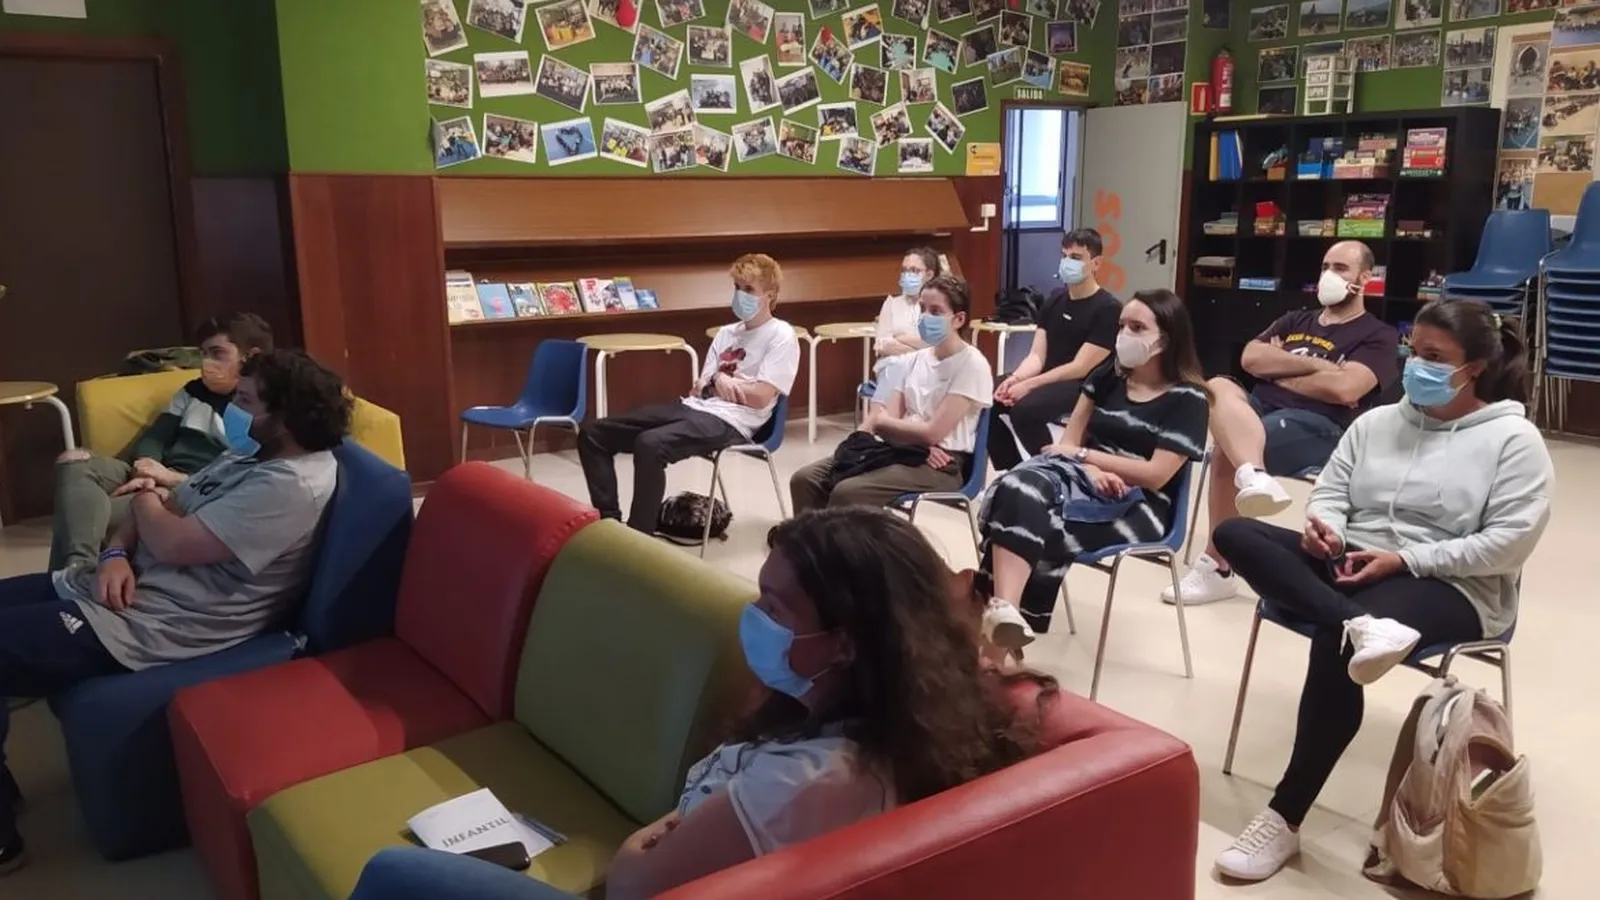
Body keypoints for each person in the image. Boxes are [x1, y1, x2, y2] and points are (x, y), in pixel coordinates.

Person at [1210, 300, 1552, 883]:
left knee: (1335, 639)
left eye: (1434, 357)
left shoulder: (1514, 440)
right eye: (1413, 351)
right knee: (1236, 534)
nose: (1416, 365)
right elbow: (1331, 491)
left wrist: (1404, 558)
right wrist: (1327, 529)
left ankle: (1284, 816)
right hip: (1352, 561)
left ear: (1473, 369)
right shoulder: (1376, 423)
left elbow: (1507, 546)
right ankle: (1359, 622)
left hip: (1451, 584)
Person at [0, 349, 349, 874]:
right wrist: (116, 552)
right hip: (114, 584)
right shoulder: (251, 455)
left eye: (246, 401)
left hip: (150, 623)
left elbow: (171, 538)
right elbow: (167, 510)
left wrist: (146, 494)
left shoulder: (291, 485)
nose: (233, 410)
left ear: (286, 416)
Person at [603, 508, 1057, 899]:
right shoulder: (912, 711)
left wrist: (664, 835)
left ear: (844, 644)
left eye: (774, 608)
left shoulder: (805, 782)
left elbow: (629, 883)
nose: (753, 615)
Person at [1165, 240, 1400, 606]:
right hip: (1262, 408)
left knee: (1227, 448)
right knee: (1217, 386)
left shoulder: (1378, 335)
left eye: (1341, 268)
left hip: (1320, 424)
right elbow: (1250, 358)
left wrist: (1279, 368)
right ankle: (1254, 474)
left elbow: (1346, 389)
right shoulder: (1296, 319)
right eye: (1325, 267)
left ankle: (1218, 566)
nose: (1329, 275)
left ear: (1365, 278)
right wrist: (1321, 366)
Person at [976, 289, 1210, 653]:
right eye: (1122, 326)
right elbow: (1069, 443)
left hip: (1140, 504)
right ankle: (1005, 618)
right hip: (1083, 479)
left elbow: (1156, 475)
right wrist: (1087, 468)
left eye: (1137, 327)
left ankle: (997, 637)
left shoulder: (1189, 399)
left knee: (1020, 506)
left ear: (1165, 339)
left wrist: (1087, 458)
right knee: (1018, 490)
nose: (1124, 335)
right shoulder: (1108, 376)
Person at [578, 254, 800, 535]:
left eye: (748, 289)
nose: (740, 295)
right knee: (593, 434)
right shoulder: (726, 333)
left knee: (650, 444)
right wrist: (719, 381)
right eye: (737, 287)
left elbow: (761, 397)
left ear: (770, 295)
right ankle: (609, 523)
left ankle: (637, 537)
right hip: (694, 407)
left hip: (733, 422)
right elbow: (699, 388)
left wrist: (719, 384)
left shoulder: (781, 335)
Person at [48, 313, 274, 572]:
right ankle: (77, 570)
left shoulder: (259, 408)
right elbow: (156, 436)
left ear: (251, 356)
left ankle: (74, 571)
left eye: (217, 353)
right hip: (154, 471)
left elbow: (235, 476)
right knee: (73, 460)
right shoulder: (192, 391)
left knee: (78, 513)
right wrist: (147, 467)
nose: (206, 363)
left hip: (193, 487)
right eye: (203, 354)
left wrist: (171, 480)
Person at [790, 275, 992, 511]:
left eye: (936, 311)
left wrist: (887, 424)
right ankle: (811, 536)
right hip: (902, 450)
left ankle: (842, 536)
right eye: (923, 309)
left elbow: (931, 432)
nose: (925, 317)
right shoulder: (913, 359)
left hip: (942, 463)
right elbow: (882, 424)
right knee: (805, 479)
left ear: (958, 319)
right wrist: (899, 434)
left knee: (850, 491)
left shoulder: (971, 364)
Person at [988, 228, 1120, 471]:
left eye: (1076, 257)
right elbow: (1036, 355)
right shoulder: (1054, 301)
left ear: (1096, 263)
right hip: (1049, 377)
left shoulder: (1108, 308)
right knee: (988, 395)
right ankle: (1012, 469)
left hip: (1083, 384)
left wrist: (1029, 385)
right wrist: (1015, 378)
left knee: (1025, 411)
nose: (1068, 262)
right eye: (1064, 256)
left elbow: (1080, 367)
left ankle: (1053, 468)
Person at [867, 247, 943, 399]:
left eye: (914, 270)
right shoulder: (891, 304)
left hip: (929, 372)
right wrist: (920, 349)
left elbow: (938, 344)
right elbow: (882, 345)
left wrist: (901, 338)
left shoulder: (940, 306)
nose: (908, 275)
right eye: (904, 270)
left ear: (929, 274)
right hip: (894, 369)